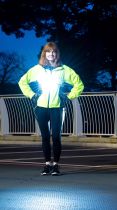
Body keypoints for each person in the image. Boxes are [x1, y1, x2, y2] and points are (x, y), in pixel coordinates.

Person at [18, 42, 84, 176]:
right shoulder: (37, 69)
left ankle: (56, 165)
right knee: (45, 137)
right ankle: (47, 164)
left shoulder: (64, 70)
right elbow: (22, 82)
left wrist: (69, 96)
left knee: (56, 137)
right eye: (48, 52)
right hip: (41, 107)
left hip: (57, 107)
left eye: (53, 52)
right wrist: (31, 95)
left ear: (57, 54)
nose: (51, 54)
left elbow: (79, 84)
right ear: (44, 53)